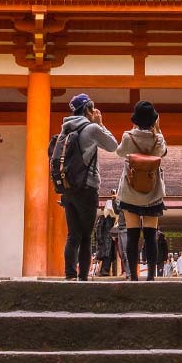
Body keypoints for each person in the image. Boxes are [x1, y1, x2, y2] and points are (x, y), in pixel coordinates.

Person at [58, 93, 118, 281]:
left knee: (72, 234)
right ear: (88, 110)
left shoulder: (65, 130)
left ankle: (69, 275)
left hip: (67, 188)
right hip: (87, 187)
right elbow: (113, 145)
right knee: (85, 236)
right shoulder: (91, 128)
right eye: (92, 109)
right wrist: (100, 124)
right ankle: (83, 278)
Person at [113, 100, 167, 281]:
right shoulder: (158, 138)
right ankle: (151, 277)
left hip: (130, 192)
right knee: (151, 235)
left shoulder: (128, 137)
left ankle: (134, 277)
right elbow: (163, 152)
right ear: (153, 119)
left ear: (135, 119)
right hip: (153, 193)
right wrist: (157, 130)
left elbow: (120, 153)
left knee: (132, 235)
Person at [93, 199, 117, 276]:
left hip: (110, 241)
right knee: (106, 256)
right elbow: (98, 228)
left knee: (109, 256)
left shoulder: (114, 219)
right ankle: (104, 270)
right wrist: (99, 239)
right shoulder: (103, 217)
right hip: (105, 241)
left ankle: (105, 270)